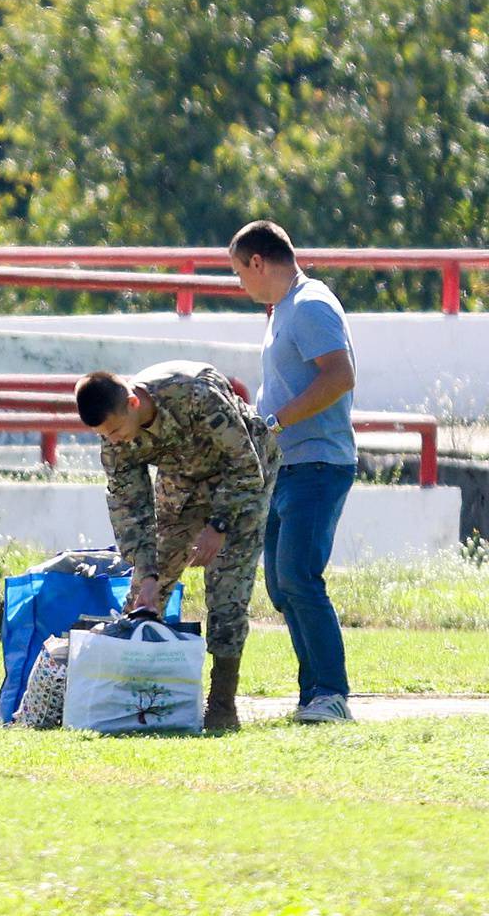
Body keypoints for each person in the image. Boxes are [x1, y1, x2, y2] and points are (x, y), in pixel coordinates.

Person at [74, 361, 278, 732]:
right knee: (143, 596)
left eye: (117, 430)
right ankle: (130, 699)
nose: (115, 440)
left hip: (243, 477)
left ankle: (221, 706)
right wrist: (148, 573)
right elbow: (130, 510)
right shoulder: (114, 438)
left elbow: (246, 466)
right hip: (182, 482)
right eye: (106, 434)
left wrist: (218, 526)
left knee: (227, 591)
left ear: (134, 404)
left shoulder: (195, 394)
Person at [229, 220, 359, 724]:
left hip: (318, 463)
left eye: (240, 271)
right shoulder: (282, 309)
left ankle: (331, 693)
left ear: (258, 262)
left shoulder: (310, 305)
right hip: (288, 466)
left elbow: (340, 375)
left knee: (300, 577)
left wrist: (276, 420)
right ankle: (312, 693)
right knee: (283, 587)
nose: (240, 283)